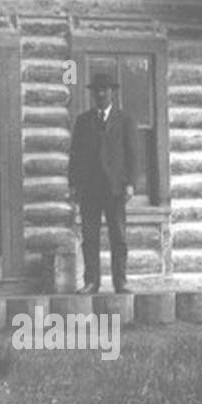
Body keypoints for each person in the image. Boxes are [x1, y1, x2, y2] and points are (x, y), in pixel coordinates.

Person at [67, 72, 138, 293]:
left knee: (118, 236)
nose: (100, 94)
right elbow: (75, 155)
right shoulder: (83, 121)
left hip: (115, 188)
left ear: (112, 92)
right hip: (89, 188)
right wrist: (73, 184)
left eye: (105, 90)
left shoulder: (125, 120)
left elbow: (133, 154)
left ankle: (121, 281)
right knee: (90, 237)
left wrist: (131, 183)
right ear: (92, 94)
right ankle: (92, 282)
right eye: (97, 90)